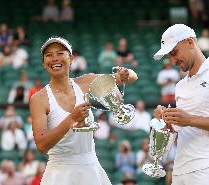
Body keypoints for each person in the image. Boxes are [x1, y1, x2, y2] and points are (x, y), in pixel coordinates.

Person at [29, 36, 138, 185]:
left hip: (91, 170)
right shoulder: (39, 99)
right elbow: (41, 145)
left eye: (60, 53)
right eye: (49, 55)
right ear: (44, 63)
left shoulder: (86, 82)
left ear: (71, 58)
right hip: (59, 174)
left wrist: (125, 74)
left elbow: (132, 77)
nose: (54, 58)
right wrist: (71, 119)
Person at [153, 24, 209, 185]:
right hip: (181, 171)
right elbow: (183, 129)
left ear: (190, 43)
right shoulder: (180, 86)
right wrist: (168, 123)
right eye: (169, 56)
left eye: (174, 53)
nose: (173, 60)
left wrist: (189, 119)